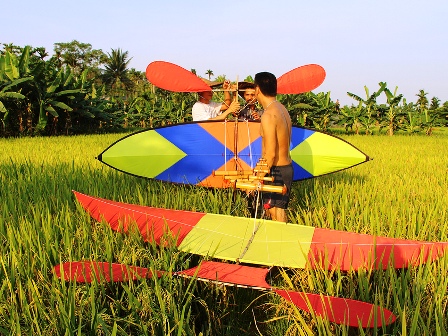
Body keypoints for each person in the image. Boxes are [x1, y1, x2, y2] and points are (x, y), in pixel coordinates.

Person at [254, 72, 293, 223]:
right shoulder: (282, 109)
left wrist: (257, 179)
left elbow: (270, 154)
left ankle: (284, 245)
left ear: (257, 89)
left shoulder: (269, 115)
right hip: (285, 168)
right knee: (274, 211)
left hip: (276, 170)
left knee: (277, 215)